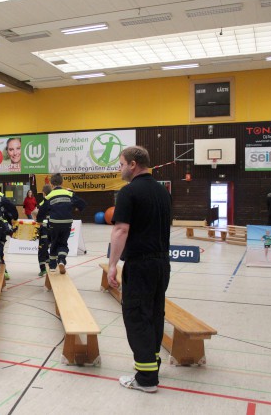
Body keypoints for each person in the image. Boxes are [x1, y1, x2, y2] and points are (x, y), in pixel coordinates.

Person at [107, 146, 171, 394]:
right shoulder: (162, 192)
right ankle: (151, 364)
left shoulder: (129, 192)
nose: (120, 168)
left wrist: (113, 264)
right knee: (155, 314)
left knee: (136, 316)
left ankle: (145, 378)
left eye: (121, 164)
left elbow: (121, 230)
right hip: (161, 264)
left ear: (133, 164)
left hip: (141, 264)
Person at [36, 173, 85, 274]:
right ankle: (62, 260)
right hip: (67, 223)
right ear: (62, 182)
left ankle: (53, 266)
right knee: (63, 243)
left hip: (54, 223)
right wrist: (75, 205)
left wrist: (39, 221)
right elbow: (82, 204)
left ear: (51, 184)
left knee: (54, 243)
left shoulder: (49, 196)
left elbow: (42, 210)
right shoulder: (69, 193)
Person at [37, 184, 52, 277]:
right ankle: (50, 263)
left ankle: (43, 269)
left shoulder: (43, 203)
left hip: (44, 229)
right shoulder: (54, 202)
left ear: (44, 193)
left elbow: (38, 216)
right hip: (53, 229)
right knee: (48, 247)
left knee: (42, 249)